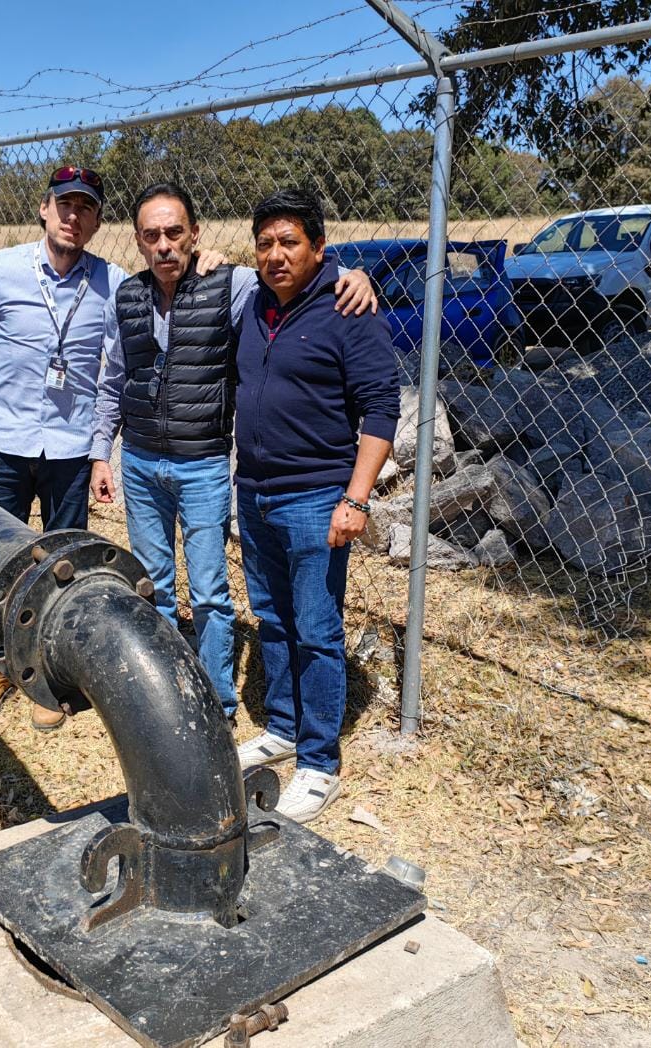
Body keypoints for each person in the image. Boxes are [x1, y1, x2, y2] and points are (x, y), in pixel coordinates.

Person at [89, 182, 376, 720]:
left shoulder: (233, 284)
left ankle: (216, 700)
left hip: (203, 465)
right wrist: (102, 453)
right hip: (141, 463)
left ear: (195, 235)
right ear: (137, 241)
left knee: (210, 593)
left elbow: (297, 274)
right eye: (152, 235)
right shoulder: (125, 298)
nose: (165, 245)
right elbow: (112, 383)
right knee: (153, 585)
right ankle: (166, 694)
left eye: (175, 232)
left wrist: (353, 275)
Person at [0, 166, 125, 728]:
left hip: (70, 451)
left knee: (63, 563)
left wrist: (101, 448)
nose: (72, 216)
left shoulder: (112, 284)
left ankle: (52, 673)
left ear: (96, 220)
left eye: (85, 207)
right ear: (44, 207)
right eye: (64, 204)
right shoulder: (2, 269)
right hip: (4, 445)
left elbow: (123, 367)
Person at [232, 188, 399, 823]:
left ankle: (319, 759)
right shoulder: (251, 306)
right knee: (273, 619)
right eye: (266, 242)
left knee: (317, 628)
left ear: (319, 249)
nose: (276, 254)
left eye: (290, 242)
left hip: (315, 497)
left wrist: (355, 499)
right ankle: (281, 727)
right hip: (255, 493)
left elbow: (381, 407)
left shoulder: (347, 309)